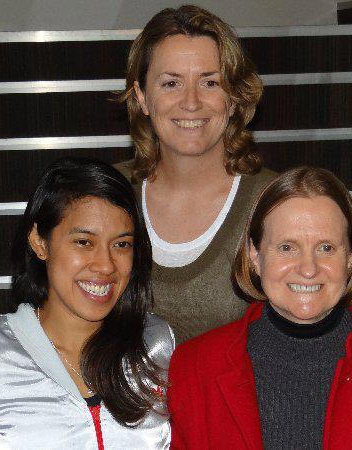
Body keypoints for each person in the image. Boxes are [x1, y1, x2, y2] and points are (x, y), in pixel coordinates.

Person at [167, 167, 352, 449]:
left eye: (326, 248)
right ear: (255, 255)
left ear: (350, 258)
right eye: (287, 248)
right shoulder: (194, 369)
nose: (308, 269)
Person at [0, 158, 174, 448]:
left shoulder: (157, 345)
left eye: (121, 244)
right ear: (39, 242)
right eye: (84, 242)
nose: (106, 265)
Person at [118, 5, 277, 342]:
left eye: (210, 82)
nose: (191, 102)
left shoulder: (276, 202)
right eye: (171, 83)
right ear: (142, 97)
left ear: (233, 98)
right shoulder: (107, 193)